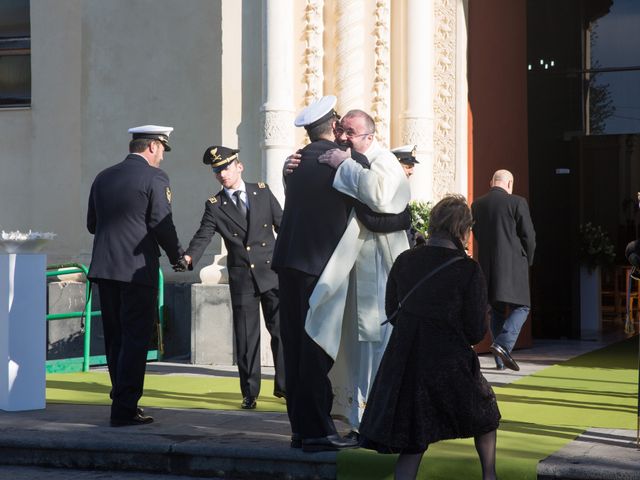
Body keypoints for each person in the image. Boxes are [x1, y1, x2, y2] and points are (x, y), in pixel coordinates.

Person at [359, 195, 501, 480]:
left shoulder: (405, 260)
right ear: (463, 230)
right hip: (449, 362)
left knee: (414, 436)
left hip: (406, 362)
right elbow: (475, 332)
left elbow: (393, 311)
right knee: (486, 413)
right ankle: (489, 476)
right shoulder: (468, 269)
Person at [311, 109, 411, 437]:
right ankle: (359, 416)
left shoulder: (384, 161)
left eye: (350, 132)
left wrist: (345, 164)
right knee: (355, 343)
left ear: (369, 135)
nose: (343, 137)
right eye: (341, 130)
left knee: (377, 340)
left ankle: (378, 418)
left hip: (381, 268)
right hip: (356, 265)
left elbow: (381, 197)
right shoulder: (353, 155)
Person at [271, 95, 363, 452]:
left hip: (288, 262)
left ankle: (301, 428)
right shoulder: (342, 162)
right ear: (336, 126)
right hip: (319, 267)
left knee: (295, 347)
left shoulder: (293, 164)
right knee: (316, 347)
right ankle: (318, 430)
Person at [87, 125, 186, 427]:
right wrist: (177, 256)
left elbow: (92, 224)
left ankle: (120, 398)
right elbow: (161, 222)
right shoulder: (155, 177)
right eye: (162, 152)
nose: (162, 159)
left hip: (104, 268)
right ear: (154, 146)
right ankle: (125, 407)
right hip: (135, 271)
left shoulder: (103, 176)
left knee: (115, 338)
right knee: (135, 338)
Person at [182, 145, 285, 410]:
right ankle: (249, 392)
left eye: (225, 167)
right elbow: (203, 234)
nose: (222, 174)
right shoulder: (215, 205)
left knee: (282, 331)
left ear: (239, 166)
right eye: (217, 170)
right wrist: (190, 256)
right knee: (246, 336)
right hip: (243, 278)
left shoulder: (261, 192)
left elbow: (282, 225)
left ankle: (285, 386)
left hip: (272, 272)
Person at [471, 169, 536, 371]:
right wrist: (527, 259)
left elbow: (477, 232)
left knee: (497, 309)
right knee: (522, 307)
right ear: (509, 184)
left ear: (492, 182)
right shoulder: (517, 202)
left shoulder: (477, 204)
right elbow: (529, 236)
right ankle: (503, 344)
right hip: (514, 265)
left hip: (488, 266)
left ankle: (500, 360)